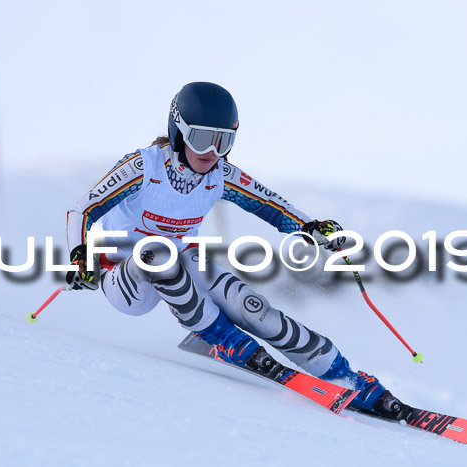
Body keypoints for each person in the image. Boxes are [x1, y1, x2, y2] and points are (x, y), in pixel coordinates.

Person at [66, 82, 403, 418]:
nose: (211, 151)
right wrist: (79, 255)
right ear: (179, 131)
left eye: (223, 141)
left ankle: (343, 375)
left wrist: (311, 229)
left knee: (252, 307)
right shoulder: (144, 166)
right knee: (157, 252)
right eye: (201, 138)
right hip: (125, 278)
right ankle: (219, 336)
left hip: (179, 265)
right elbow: (81, 211)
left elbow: (272, 205)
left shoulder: (220, 175)